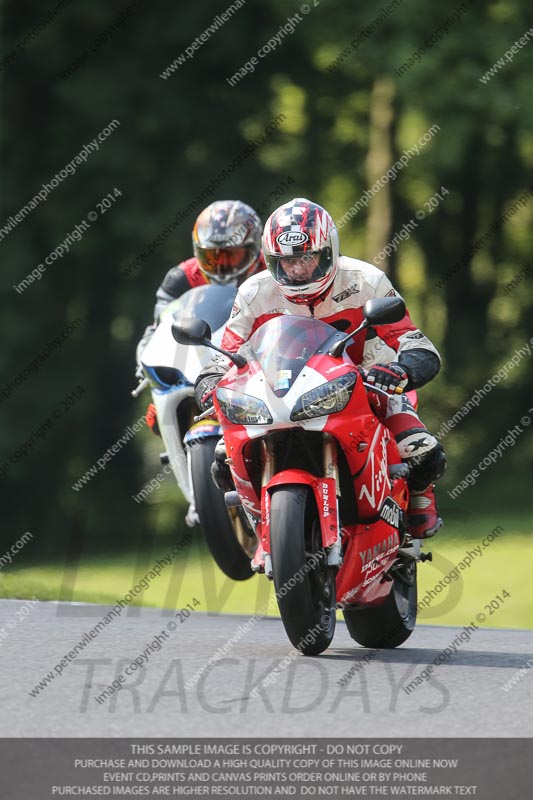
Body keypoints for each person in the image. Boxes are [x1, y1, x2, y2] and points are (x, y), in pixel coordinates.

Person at [195, 197, 447, 540]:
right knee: (222, 459)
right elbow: (225, 352)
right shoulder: (255, 291)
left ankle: (418, 500)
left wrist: (401, 370)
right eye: (286, 262)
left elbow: (416, 343)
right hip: (279, 387)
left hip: (365, 376)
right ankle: (259, 521)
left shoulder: (366, 279)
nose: (297, 270)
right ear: (270, 261)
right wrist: (210, 379)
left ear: (329, 251)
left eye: (306, 258)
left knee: (422, 449)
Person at [135, 199, 264, 434]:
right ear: (198, 252)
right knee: (156, 418)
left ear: (254, 249)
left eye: (232, 256)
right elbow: (159, 324)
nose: (223, 267)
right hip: (200, 358)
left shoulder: (271, 269)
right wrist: (145, 355)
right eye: (213, 258)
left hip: (259, 360)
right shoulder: (180, 278)